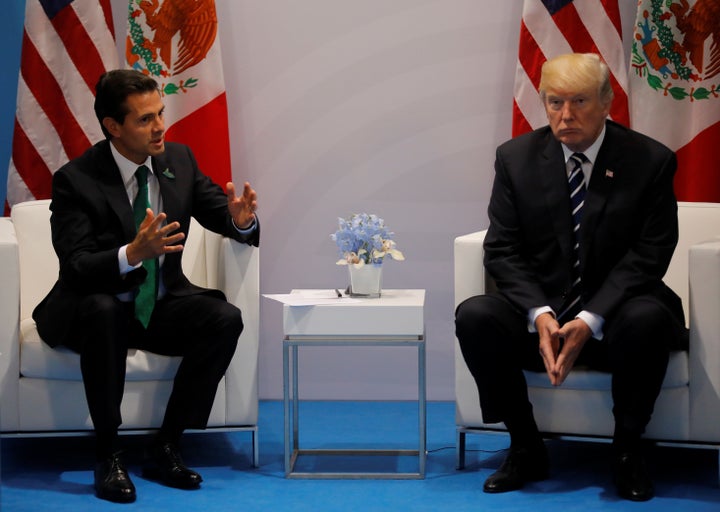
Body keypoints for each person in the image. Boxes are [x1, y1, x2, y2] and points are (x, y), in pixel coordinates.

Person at [455, 53, 687, 502]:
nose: (566, 115)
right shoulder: (515, 159)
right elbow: (501, 248)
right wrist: (539, 314)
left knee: (646, 318)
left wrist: (591, 317)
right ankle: (525, 445)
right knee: (475, 315)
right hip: (543, 315)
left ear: (606, 102)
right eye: (555, 102)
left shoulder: (650, 161)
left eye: (579, 101)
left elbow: (650, 254)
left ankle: (627, 452)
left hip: (616, 314)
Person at [32, 69, 260, 503]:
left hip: (158, 305)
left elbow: (219, 213)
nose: (159, 127)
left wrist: (240, 221)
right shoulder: (75, 180)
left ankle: (167, 443)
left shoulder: (179, 160)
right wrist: (131, 254)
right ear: (113, 127)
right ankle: (108, 454)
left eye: (160, 114)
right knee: (103, 311)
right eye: (144, 119)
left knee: (224, 319)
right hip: (93, 309)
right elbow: (76, 266)